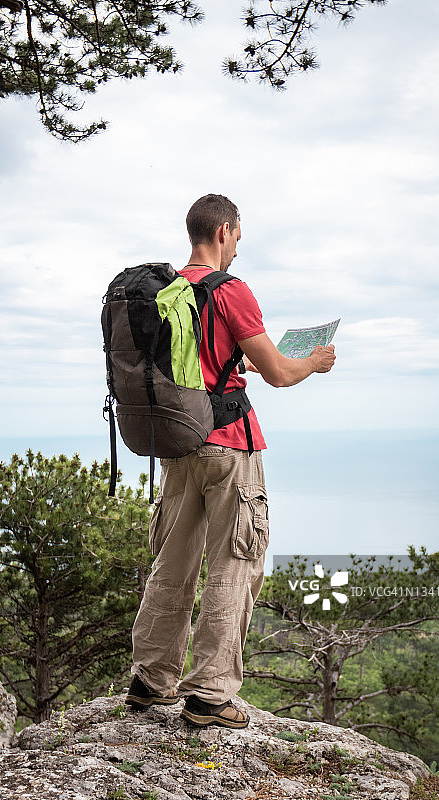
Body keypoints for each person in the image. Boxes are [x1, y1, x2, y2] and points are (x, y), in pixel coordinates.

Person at [125, 194, 336, 728]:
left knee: (172, 564)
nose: (238, 247)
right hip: (229, 447)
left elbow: (198, 360)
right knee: (234, 564)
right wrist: (314, 361)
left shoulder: (168, 290)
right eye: (238, 236)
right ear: (223, 231)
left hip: (177, 442)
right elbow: (280, 373)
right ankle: (209, 693)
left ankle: (151, 680)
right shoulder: (231, 291)